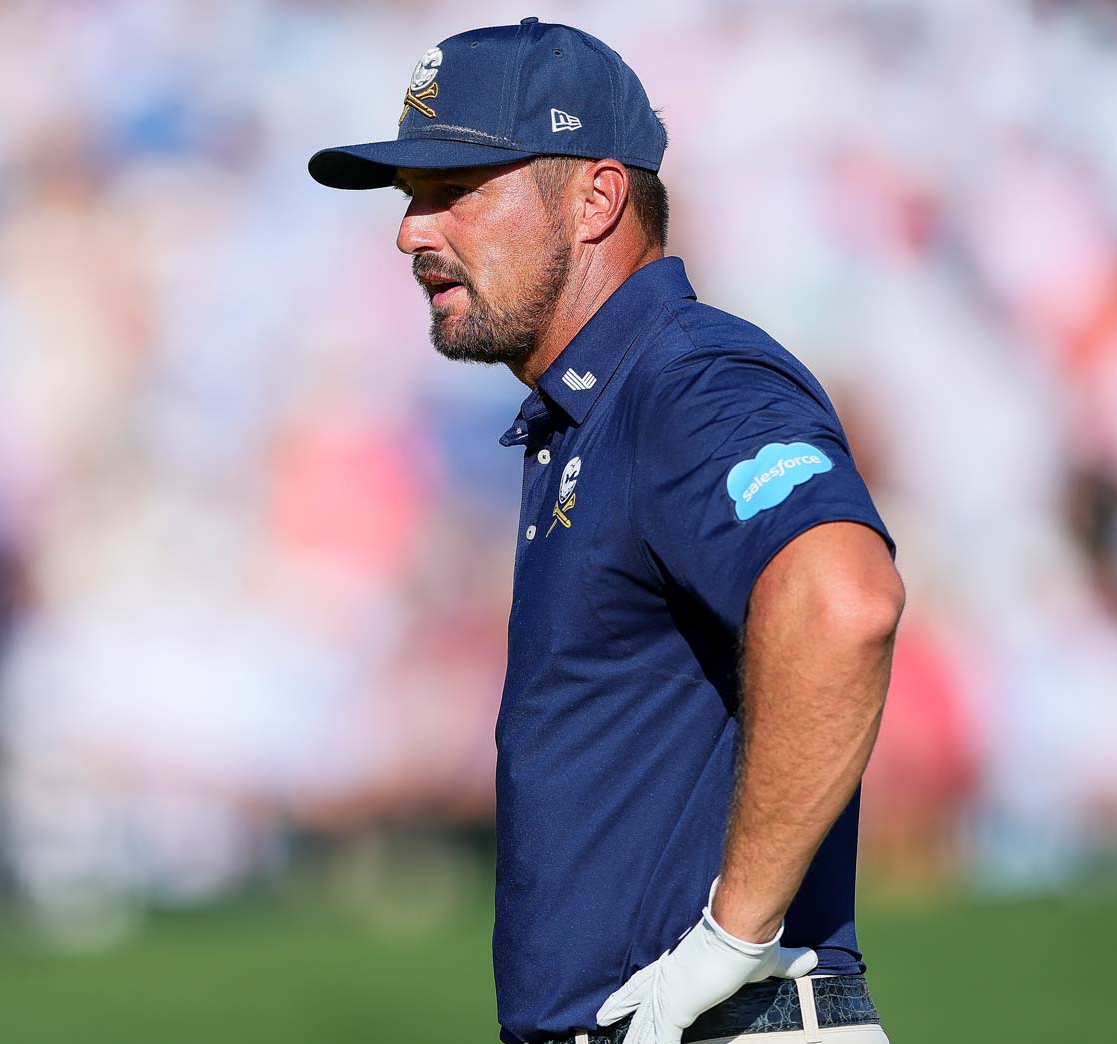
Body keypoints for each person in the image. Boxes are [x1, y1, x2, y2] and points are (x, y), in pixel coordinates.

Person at [309, 18, 903, 1044]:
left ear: (595, 198)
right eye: (411, 199)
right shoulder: (594, 406)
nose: (410, 232)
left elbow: (842, 601)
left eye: (454, 192)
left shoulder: (688, 379)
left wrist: (730, 940)